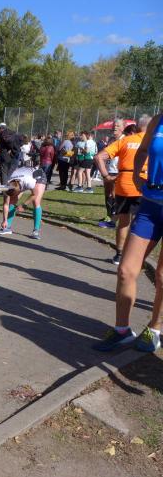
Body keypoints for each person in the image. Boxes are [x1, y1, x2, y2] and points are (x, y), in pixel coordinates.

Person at [93, 112, 163, 353]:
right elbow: (143, 150)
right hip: (150, 205)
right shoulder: (157, 121)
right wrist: (135, 174)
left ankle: (155, 329)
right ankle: (122, 330)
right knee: (125, 270)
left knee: (162, 275)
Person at [95, 117, 149, 265]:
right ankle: (134, 256)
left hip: (124, 183)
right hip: (144, 183)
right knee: (140, 222)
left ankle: (119, 255)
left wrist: (106, 177)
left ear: (137, 127)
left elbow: (99, 157)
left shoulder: (125, 141)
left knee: (124, 221)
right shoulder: (152, 142)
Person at [0, 166, 47, 239]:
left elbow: (34, 194)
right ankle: (7, 227)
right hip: (22, 177)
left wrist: (24, 205)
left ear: (19, 190)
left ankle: (36, 230)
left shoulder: (29, 182)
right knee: (12, 201)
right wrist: (4, 220)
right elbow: (6, 204)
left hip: (38, 175)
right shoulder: (8, 185)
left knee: (36, 201)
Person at [98, 119, 126, 229]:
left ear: (123, 128)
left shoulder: (125, 140)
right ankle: (108, 216)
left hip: (118, 170)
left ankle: (113, 218)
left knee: (114, 194)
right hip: (108, 169)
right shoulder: (111, 140)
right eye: (114, 125)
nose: (115, 127)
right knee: (107, 193)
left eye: (118, 125)